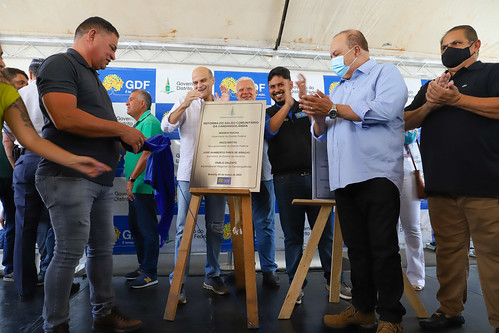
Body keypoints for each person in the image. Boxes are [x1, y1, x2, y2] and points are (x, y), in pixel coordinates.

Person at [35, 17, 144, 333]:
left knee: (101, 250)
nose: (113, 55)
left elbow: (94, 124)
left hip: (99, 180)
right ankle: (56, 325)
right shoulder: (60, 63)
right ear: (92, 35)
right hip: (67, 175)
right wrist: (120, 128)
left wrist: (122, 140)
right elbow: (64, 117)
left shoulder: (93, 77)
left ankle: (104, 311)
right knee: (69, 253)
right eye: (112, 47)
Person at [300, 29, 407, 332]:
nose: (332, 60)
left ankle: (390, 317)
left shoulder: (385, 74)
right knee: (357, 249)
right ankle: (362, 308)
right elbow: (323, 132)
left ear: (356, 50)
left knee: (382, 248)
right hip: (344, 178)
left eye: (335, 54)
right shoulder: (339, 86)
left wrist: (331, 108)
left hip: (376, 174)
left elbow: (384, 111)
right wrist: (318, 116)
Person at [404, 25, 499, 332]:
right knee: (448, 254)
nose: (448, 50)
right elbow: (405, 120)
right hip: (442, 186)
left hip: (486, 186)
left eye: (456, 43)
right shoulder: (434, 84)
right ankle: (449, 311)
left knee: (493, 258)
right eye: (443, 46)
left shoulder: (492, 74)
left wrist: (457, 101)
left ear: (475, 46)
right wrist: (433, 102)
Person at [265, 66, 346, 305]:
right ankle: (295, 284)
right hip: (285, 181)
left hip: (316, 178)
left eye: (281, 85)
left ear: (289, 84)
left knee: (326, 234)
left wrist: (300, 99)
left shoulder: (306, 106)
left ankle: (335, 280)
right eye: (272, 87)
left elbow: (319, 128)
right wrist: (289, 105)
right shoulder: (268, 111)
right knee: (292, 236)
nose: (277, 90)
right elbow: (271, 130)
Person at [162, 66, 230, 304]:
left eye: (203, 80)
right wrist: (183, 105)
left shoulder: (222, 103)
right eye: (195, 82)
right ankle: (178, 280)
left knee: (215, 226)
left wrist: (226, 108)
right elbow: (166, 127)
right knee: (183, 229)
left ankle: (212, 275)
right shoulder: (184, 100)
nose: (199, 85)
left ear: (212, 80)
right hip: (188, 174)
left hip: (217, 174)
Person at [7, 58, 55, 298]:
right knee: (58, 225)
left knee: (25, 226)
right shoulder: (57, 93)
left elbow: (7, 138)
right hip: (54, 161)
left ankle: (24, 287)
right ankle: (55, 282)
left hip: (26, 160)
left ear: (31, 73)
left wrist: (18, 163)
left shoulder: (19, 94)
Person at [234, 77, 279, 287]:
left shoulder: (267, 113)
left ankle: (269, 270)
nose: (245, 92)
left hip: (263, 176)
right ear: (236, 94)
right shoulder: (229, 113)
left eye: (249, 89)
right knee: (240, 227)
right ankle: (243, 270)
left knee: (265, 225)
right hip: (236, 179)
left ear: (256, 91)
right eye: (241, 89)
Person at [124, 89, 162, 289]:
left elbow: (147, 154)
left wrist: (131, 179)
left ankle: (150, 273)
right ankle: (143, 266)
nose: (126, 103)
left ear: (142, 104)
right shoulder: (140, 123)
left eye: (131, 99)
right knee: (136, 227)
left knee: (147, 229)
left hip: (143, 186)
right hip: (136, 186)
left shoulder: (149, 122)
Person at [400, 129, 425, 291]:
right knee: (386, 229)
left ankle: (416, 276)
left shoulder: (409, 111)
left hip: (408, 172)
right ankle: (389, 275)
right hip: (381, 172)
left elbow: (410, 136)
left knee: (412, 227)